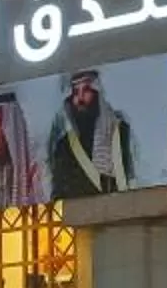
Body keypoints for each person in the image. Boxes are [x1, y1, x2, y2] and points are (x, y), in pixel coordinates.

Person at [46, 69, 134, 199]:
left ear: (97, 94)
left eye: (86, 90)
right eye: (75, 92)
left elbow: (134, 177)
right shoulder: (64, 146)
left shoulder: (121, 132)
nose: (80, 99)